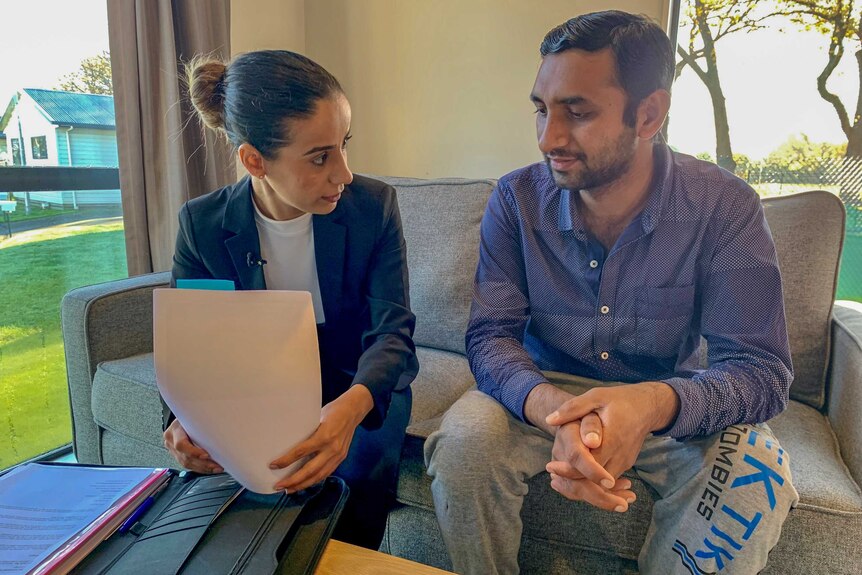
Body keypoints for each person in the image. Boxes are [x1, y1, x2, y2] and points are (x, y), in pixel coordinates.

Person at [425, 10, 798, 575]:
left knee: (758, 472)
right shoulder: (516, 200)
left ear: (649, 113)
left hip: (667, 400)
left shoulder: (723, 208)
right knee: (464, 442)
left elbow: (760, 369)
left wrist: (650, 405)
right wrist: (561, 413)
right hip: (544, 396)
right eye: (541, 110)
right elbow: (490, 337)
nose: (549, 137)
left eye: (577, 112)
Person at [161, 50, 419, 549]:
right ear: (254, 160)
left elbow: (391, 331)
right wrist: (180, 421)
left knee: (354, 493)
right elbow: (192, 342)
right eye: (321, 156)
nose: (343, 173)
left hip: (357, 379)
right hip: (256, 381)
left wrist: (348, 411)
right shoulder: (203, 224)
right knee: (232, 513)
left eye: (343, 146)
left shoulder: (373, 207)